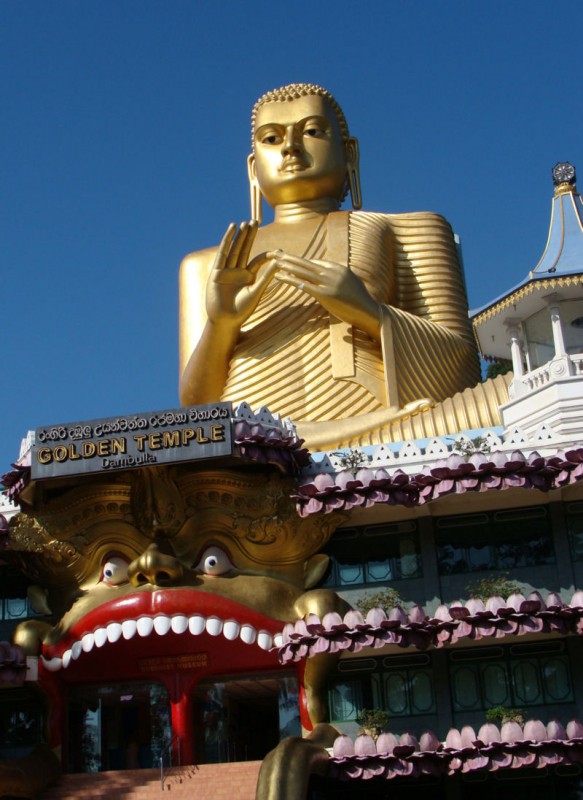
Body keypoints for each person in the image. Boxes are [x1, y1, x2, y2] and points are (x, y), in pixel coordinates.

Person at [179, 84, 500, 449]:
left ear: (349, 153)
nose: (290, 147)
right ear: (253, 168)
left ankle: (305, 443)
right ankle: (289, 443)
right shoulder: (208, 264)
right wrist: (222, 324)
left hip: (384, 431)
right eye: (271, 138)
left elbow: (460, 372)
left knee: (507, 394)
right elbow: (198, 415)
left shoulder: (409, 229)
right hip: (251, 442)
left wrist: (368, 312)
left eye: (312, 131)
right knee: (184, 439)